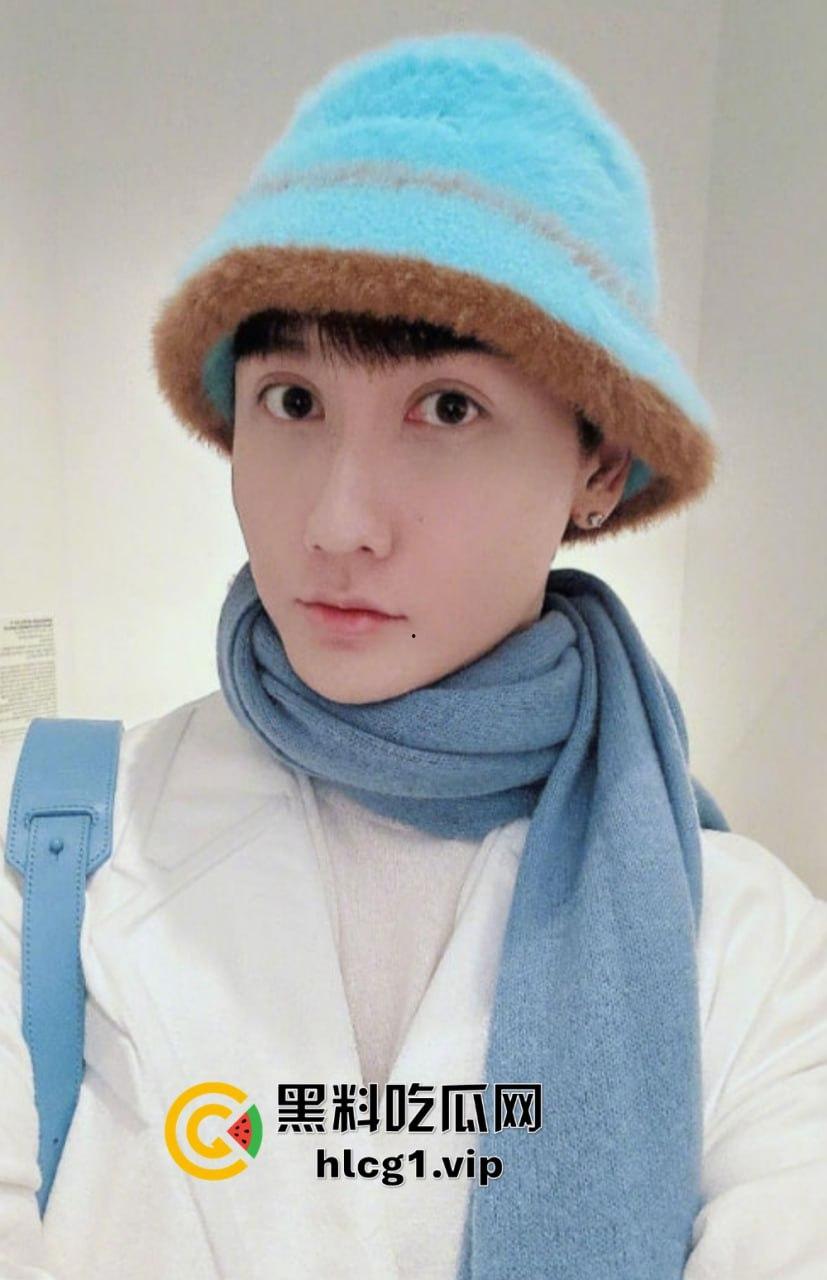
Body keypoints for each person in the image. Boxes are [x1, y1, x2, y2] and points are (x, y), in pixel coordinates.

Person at [2, 30, 826, 1280]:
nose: (336, 523)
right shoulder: (51, 843)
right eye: (292, 400)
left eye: (447, 406)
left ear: (597, 465)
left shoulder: (750, 950)